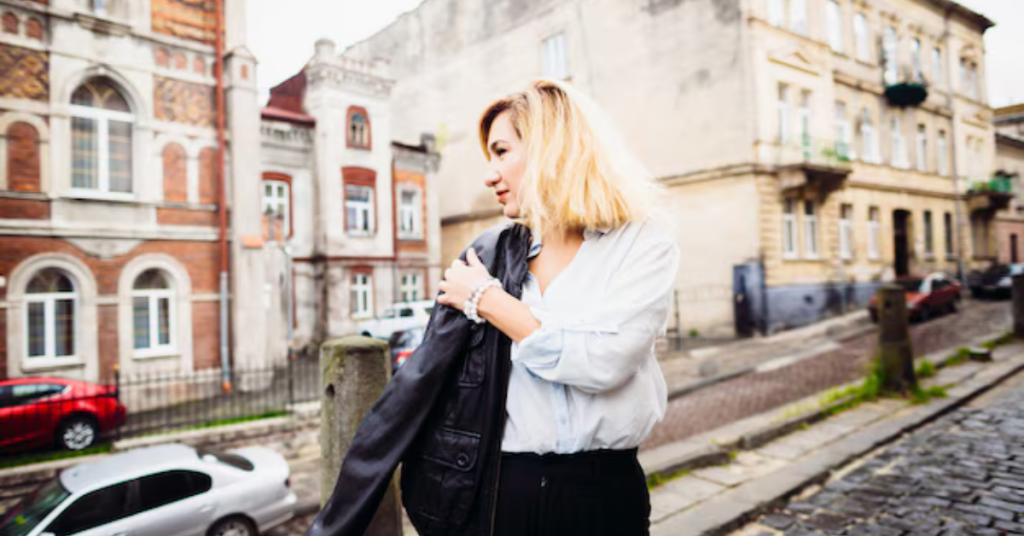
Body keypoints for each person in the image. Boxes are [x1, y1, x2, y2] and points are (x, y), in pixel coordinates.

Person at [305, 79, 679, 536]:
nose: (490, 174)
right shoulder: (488, 254)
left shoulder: (642, 242)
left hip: (603, 495)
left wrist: (487, 300)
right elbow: (413, 389)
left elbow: (606, 362)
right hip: (503, 496)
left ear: (550, 149)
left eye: (502, 152)